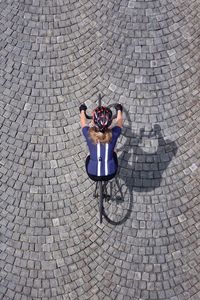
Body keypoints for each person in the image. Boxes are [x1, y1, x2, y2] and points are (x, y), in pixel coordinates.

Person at [79, 103, 123, 181]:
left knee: (89, 156)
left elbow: (83, 122)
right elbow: (119, 123)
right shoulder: (114, 133)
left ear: (94, 122)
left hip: (92, 173)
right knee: (114, 153)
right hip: (110, 173)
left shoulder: (88, 133)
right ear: (109, 122)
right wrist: (119, 110)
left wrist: (82, 110)